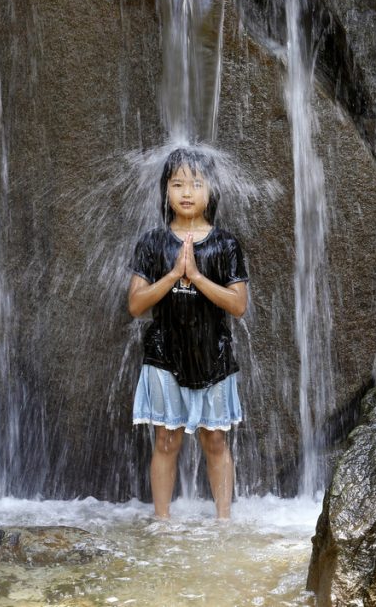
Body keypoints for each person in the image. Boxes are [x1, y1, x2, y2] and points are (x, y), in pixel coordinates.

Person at [127, 147, 249, 520]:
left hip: (213, 353)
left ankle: (223, 520)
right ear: (165, 191)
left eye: (196, 184)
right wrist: (172, 275)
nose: (186, 192)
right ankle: (161, 521)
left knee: (215, 439)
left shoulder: (226, 244)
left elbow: (238, 304)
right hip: (164, 354)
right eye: (177, 183)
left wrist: (195, 276)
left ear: (210, 191)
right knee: (166, 439)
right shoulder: (152, 243)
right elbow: (136, 305)